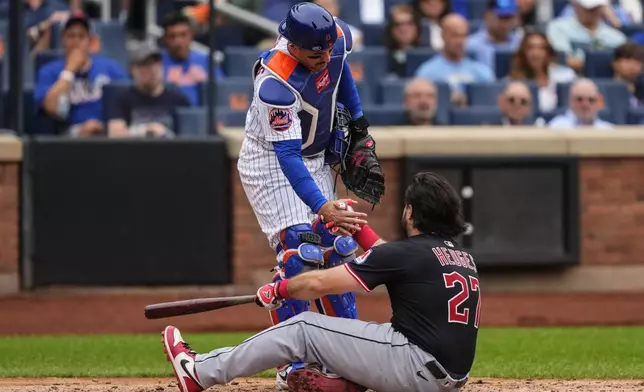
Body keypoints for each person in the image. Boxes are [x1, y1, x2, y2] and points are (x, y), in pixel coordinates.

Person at [161, 172, 480, 392]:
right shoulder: (457, 256)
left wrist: (280, 289)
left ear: (411, 213)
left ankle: (198, 371)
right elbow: (390, 255)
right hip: (445, 377)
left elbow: (318, 284)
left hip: (413, 367)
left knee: (303, 328)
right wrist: (356, 228)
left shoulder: (410, 254)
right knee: (356, 338)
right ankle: (338, 377)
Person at [229, 2, 384, 390]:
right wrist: (322, 206)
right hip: (271, 164)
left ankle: (349, 352)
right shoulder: (275, 84)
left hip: (314, 157)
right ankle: (291, 363)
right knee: (301, 250)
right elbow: (286, 155)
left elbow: (341, 71)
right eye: (316, 52)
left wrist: (360, 125)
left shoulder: (334, 41)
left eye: (329, 48)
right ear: (292, 44)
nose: (325, 57)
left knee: (338, 248)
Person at [34, 12, 128, 136]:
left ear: (90, 41)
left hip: (108, 132)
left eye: (81, 36)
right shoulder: (49, 71)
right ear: (63, 40)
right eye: (71, 36)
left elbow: (129, 103)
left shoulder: (110, 67)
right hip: (69, 135)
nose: (76, 41)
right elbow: (51, 108)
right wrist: (69, 71)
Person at [104, 41, 191, 138]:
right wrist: (146, 130)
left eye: (156, 63)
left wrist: (165, 133)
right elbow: (115, 134)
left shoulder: (178, 99)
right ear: (133, 70)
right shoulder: (122, 98)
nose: (153, 70)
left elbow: (188, 136)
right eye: (146, 65)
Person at [415, 13, 495, 107]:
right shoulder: (427, 72)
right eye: (455, 36)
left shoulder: (482, 72)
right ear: (443, 36)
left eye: (463, 36)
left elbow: (490, 103)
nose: (460, 42)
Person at [161, 12, 225, 106]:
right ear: (165, 39)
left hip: (202, 117)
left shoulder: (205, 60)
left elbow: (222, 91)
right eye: (172, 36)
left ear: (191, 36)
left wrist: (203, 79)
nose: (178, 42)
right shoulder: (157, 62)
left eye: (183, 35)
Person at [546, 0, 626, 74]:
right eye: (587, 8)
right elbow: (564, 58)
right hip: (567, 77)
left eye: (596, 8)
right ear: (576, 6)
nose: (592, 12)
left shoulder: (616, 37)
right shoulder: (558, 27)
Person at [507, 31, 576, 112]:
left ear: (548, 53)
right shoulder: (512, 82)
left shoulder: (566, 76)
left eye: (541, 48)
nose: (536, 53)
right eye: (530, 48)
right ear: (523, 52)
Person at [465, 0, 523, 70]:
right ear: (487, 15)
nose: (504, 24)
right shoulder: (470, 45)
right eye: (500, 17)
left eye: (508, 18)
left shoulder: (520, 45)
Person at [548, 78, 614, 129]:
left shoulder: (609, 130)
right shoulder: (556, 127)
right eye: (579, 99)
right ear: (571, 101)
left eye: (591, 100)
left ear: (597, 103)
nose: (585, 105)